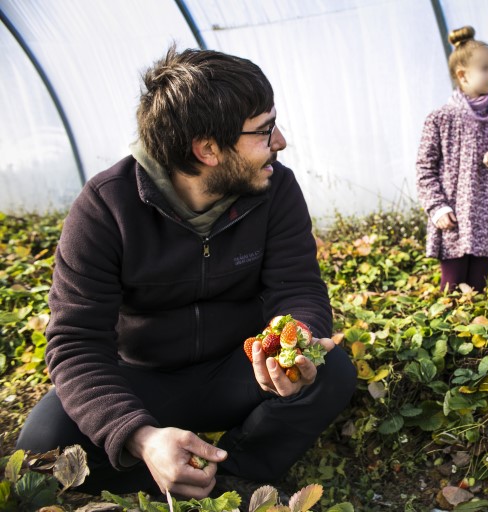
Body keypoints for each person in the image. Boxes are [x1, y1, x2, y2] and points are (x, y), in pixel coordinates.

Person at [16, 46, 357, 502]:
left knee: (331, 367)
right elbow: (76, 342)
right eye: (264, 130)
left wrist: (293, 343)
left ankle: (232, 472)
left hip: (239, 369)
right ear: (207, 149)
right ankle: (162, 467)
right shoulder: (105, 206)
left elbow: (296, 285)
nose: (280, 141)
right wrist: (139, 435)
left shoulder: (276, 187)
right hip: (143, 379)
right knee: (43, 439)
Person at [416, 26, 488, 292]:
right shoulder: (440, 118)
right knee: (452, 289)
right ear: (462, 75)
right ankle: (449, 332)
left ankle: (475, 328)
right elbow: (425, 168)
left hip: (486, 218)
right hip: (454, 218)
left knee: (478, 288)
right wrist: (437, 207)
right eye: (485, 68)